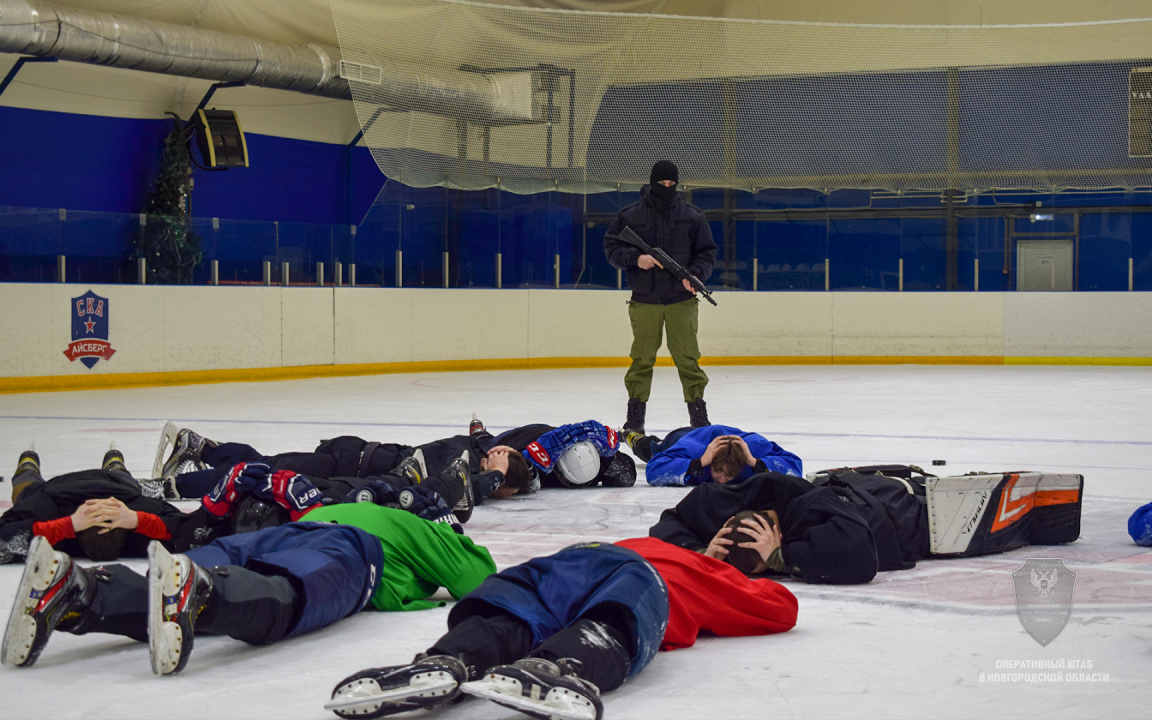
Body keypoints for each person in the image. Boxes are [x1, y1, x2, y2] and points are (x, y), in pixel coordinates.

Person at [324, 535, 797, 720]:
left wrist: (764, 560)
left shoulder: (723, 580)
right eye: (731, 527)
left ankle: (543, 664)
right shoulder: (673, 549)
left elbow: (782, 607)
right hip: (587, 560)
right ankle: (446, 664)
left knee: (600, 606)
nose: (732, 533)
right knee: (513, 607)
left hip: (602, 565)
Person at [1, 501, 497, 674]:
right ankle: (207, 596)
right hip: (345, 547)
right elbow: (477, 580)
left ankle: (78, 591)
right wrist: (445, 552)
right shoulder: (418, 528)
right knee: (290, 591)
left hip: (281, 532)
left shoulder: (344, 506)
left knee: (170, 579)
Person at [147, 425, 528, 522]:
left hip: (350, 455)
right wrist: (497, 475)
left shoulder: (465, 443)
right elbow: (465, 486)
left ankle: (200, 448)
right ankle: (168, 485)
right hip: (347, 464)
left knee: (266, 464)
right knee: (259, 474)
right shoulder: (462, 458)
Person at [603, 159, 718, 434]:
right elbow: (611, 247)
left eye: (671, 184)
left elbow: (706, 252)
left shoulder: (692, 216)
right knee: (641, 360)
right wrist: (636, 258)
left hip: (682, 300)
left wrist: (696, 275)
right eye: (662, 183)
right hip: (644, 300)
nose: (667, 187)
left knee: (688, 360)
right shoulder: (630, 215)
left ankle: (698, 417)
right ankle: (635, 419)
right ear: (652, 183)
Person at [0, 445, 190, 565]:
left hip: (56, 489)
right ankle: (115, 465)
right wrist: (137, 519)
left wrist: (67, 524)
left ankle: (27, 466)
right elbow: (190, 529)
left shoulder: (49, 509)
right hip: (115, 484)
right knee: (124, 480)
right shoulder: (134, 508)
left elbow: (6, 533)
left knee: (24, 491)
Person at [470, 415, 637, 490]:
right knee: (487, 445)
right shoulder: (538, 468)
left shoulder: (599, 462)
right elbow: (514, 475)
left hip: (553, 435)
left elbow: (627, 473)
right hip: (523, 437)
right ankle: (479, 431)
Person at [621, 424, 802, 486]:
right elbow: (654, 470)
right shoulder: (691, 449)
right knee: (651, 450)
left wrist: (755, 462)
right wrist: (699, 463)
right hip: (684, 436)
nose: (722, 480)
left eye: (730, 474)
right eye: (718, 471)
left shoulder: (755, 447)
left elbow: (795, 466)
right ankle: (632, 437)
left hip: (726, 439)